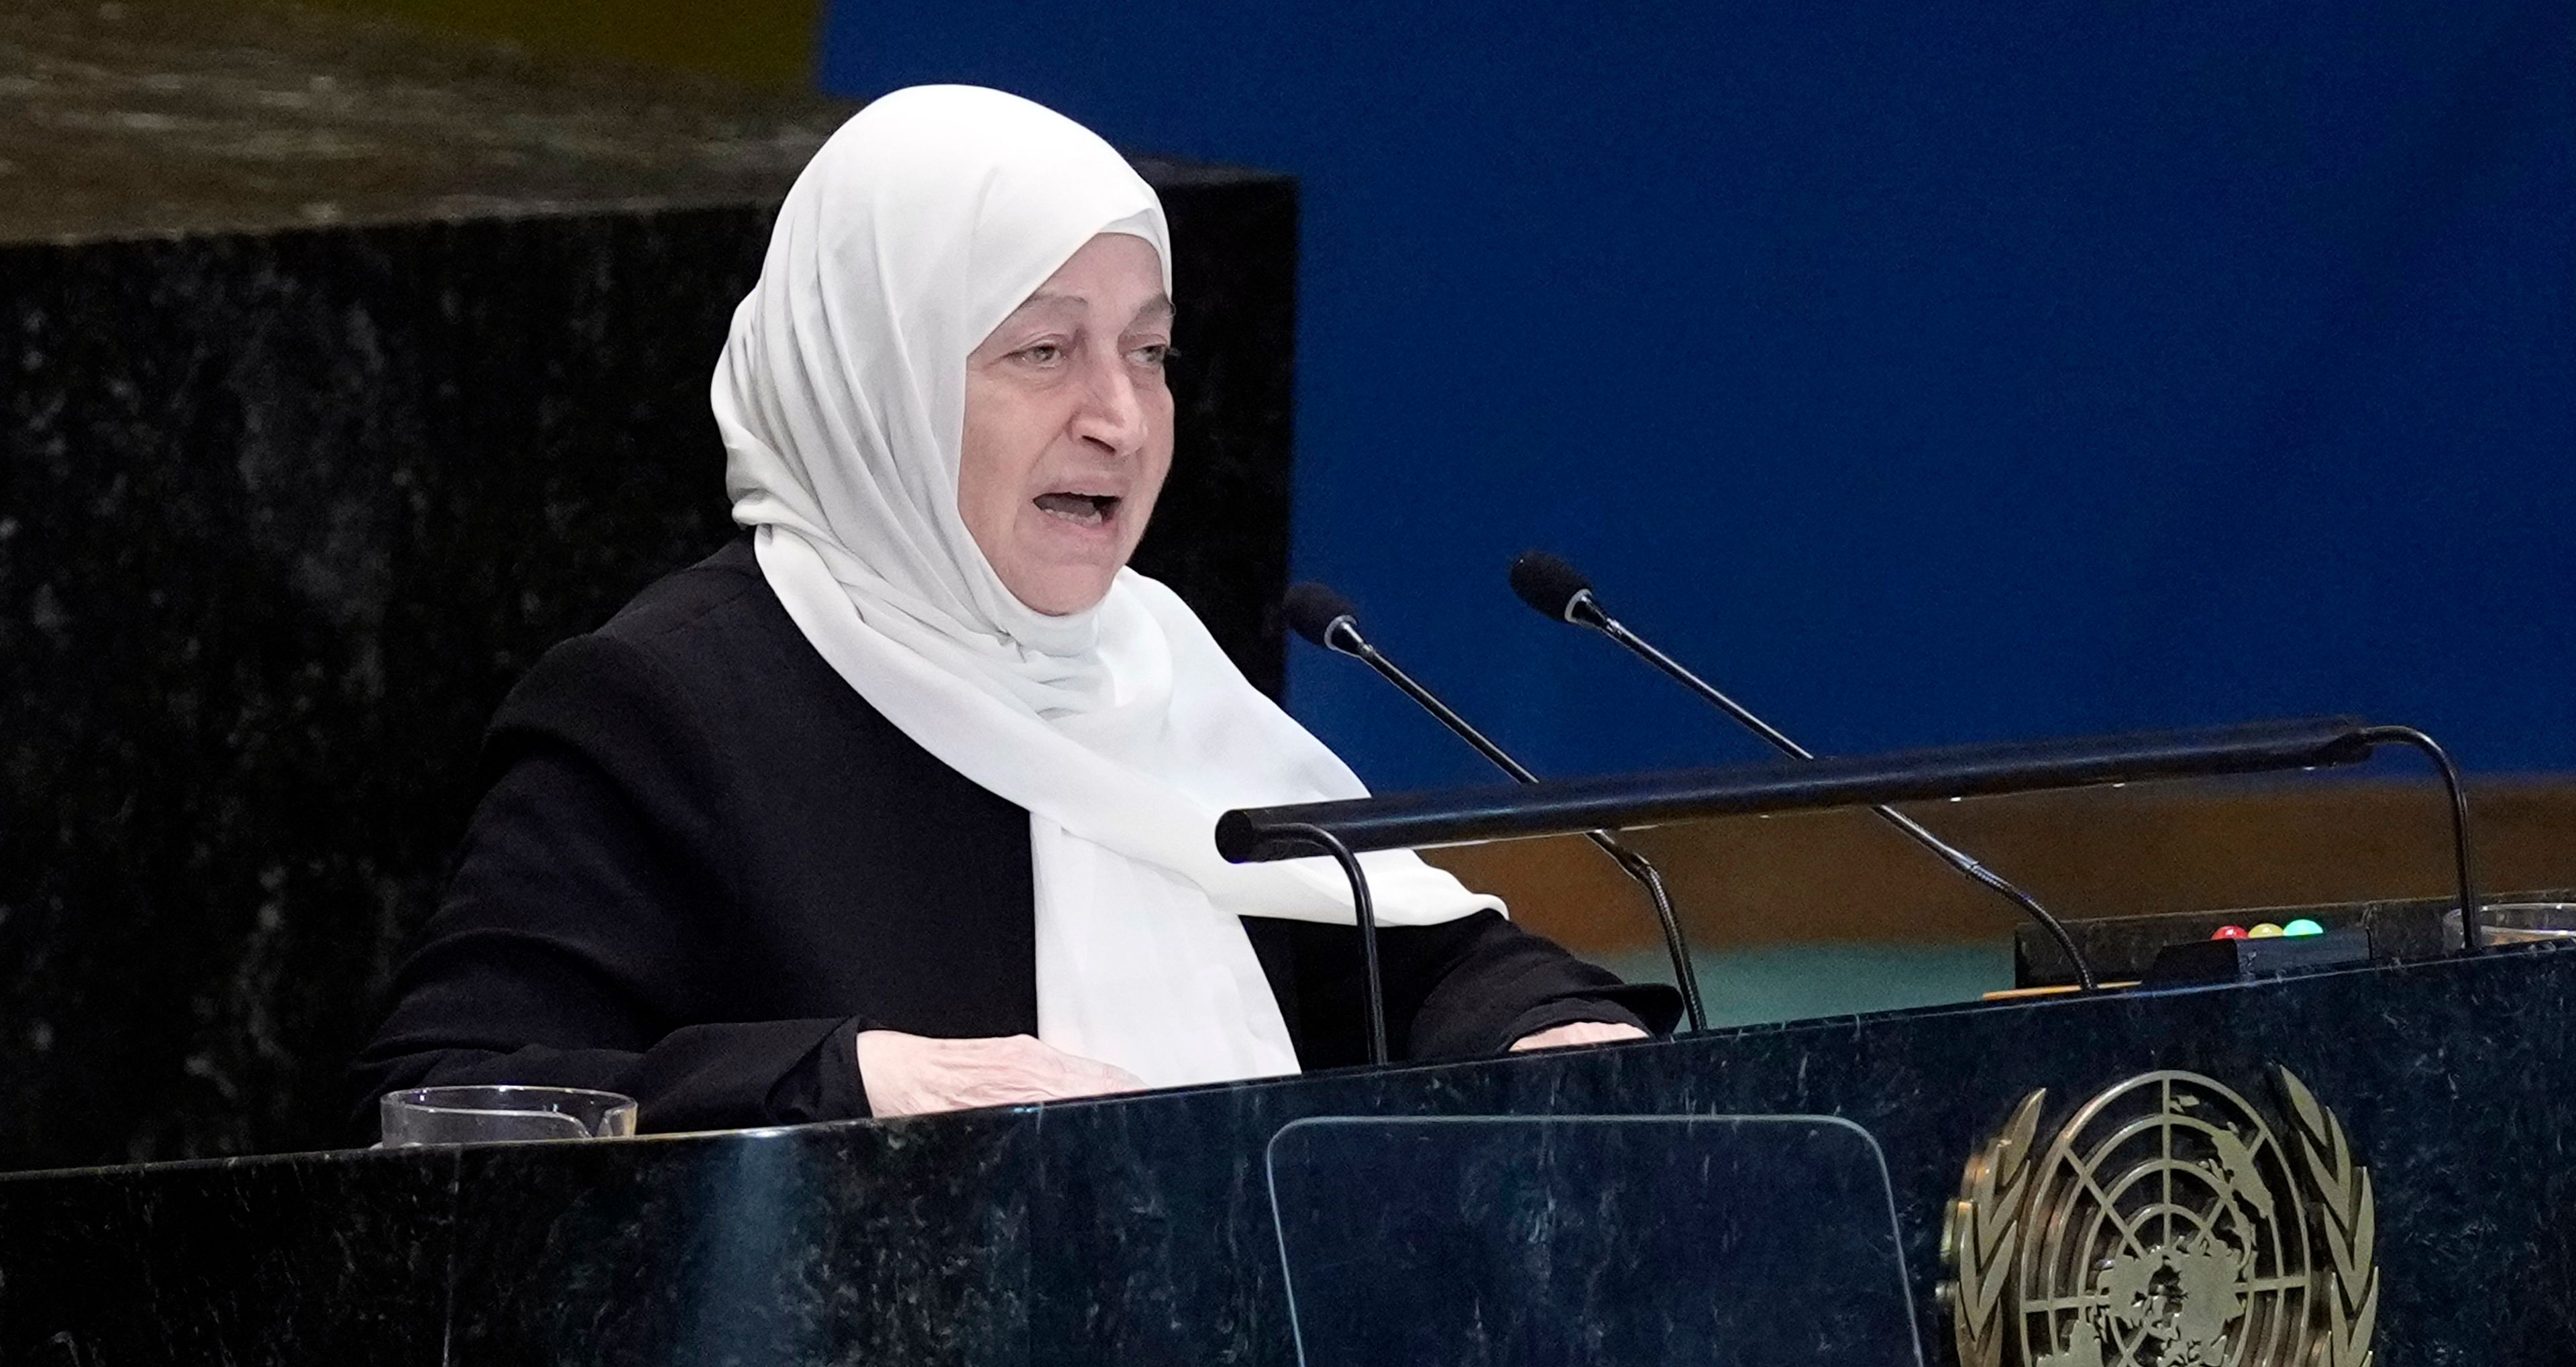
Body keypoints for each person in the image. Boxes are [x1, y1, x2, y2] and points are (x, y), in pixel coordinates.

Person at [352, 85, 1674, 1130]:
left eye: (1148, 353)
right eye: (1042, 352)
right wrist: (852, 1081)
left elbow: (1393, 961)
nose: (1119, 418)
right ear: (877, 379)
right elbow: (447, 1097)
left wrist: (1547, 1031)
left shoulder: (1146, 667)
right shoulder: (669, 705)